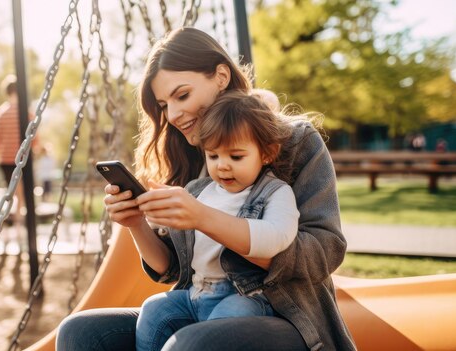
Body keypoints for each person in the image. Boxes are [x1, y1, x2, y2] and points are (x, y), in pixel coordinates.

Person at [57, 27, 355, 351]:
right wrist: (136, 225)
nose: (172, 115)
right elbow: (172, 270)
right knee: (80, 332)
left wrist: (204, 218)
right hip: (201, 304)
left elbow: (324, 253)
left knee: (190, 345)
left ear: (221, 76)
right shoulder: (190, 154)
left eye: (182, 96)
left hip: (287, 316)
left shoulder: (293, 141)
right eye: (163, 105)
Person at [134, 90, 299, 351]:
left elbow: (276, 238)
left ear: (267, 153)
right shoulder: (200, 190)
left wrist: (203, 217)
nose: (222, 166)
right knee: (154, 309)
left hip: (245, 295)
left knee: (208, 336)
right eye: (213, 156)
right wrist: (149, 214)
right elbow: (175, 245)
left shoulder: (275, 192)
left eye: (236, 157)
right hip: (196, 292)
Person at [0, 74, 33, 224]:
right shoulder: (27, 113)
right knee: (21, 196)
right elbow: (34, 140)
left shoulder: (0, 113)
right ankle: (18, 225)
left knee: (11, 193)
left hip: (5, 160)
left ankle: (8, 224)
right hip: (22, 160)